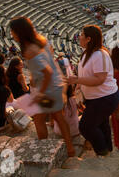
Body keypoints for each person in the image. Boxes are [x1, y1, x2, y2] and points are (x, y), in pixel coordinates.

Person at [10, 16, 75, 157]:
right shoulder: (41, 40)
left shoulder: (29, 50)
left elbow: (47, 72)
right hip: (57, 85)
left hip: (48, 90)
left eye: (13, 31)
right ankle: (70, 148)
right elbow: (49, 60)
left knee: (39, 119)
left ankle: (44, 150)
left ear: (20, 32)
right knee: (58, 116)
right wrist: (34, 77)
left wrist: (40, 92)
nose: (11, 35)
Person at [67, 25, 119, 157]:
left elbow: (100, 79)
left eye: (82, 34)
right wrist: (79, 86)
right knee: (101, 123)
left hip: (104, 97)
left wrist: (77, 80)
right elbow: (88, 74)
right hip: (97, 97)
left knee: (86, 127)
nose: (79, 37)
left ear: (89, 38)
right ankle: (107, 150)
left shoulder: (99, 55)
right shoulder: (88, 53)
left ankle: (101, 151)